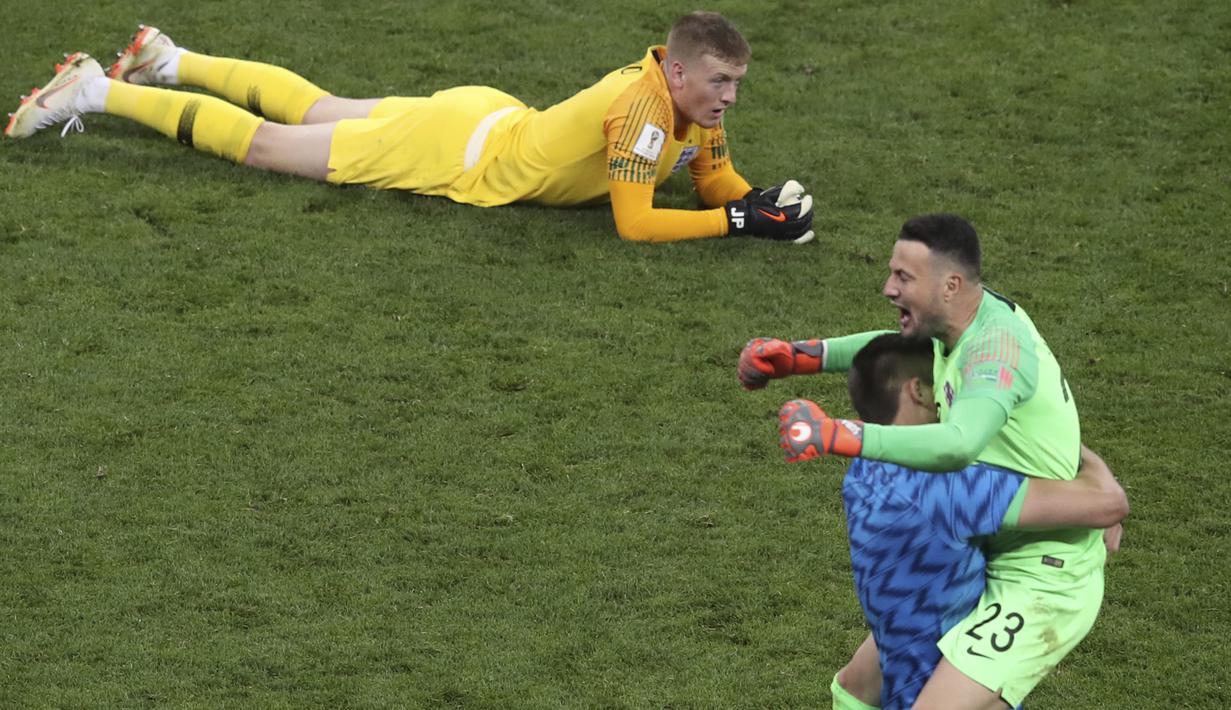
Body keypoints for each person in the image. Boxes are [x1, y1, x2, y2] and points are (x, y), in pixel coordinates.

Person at [4, 12, 813, 244]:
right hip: (456, 150)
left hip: (483, 116)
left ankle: (166, 56)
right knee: (269, 146)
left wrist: (758, 202)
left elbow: (712, 180)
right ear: (677, 71)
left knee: (318, 107)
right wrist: (736, 222)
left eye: (735, 83)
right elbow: (634, 223)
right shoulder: (642, 111)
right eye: (719, 81)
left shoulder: (690, 105)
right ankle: (98, 93)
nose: (729, 97)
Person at [742, 214, 1114, 708]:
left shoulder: (995, 354)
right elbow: (893, 349)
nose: (888, 288)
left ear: (950, 284)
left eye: (903, 277)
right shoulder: (958, 321)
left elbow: (958, 443)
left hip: (1042, 575)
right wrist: (802, 356)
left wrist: (839, 433)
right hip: (989, 539)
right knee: (857, 687)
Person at [793, 332, 1127, 709]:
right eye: (944, 387)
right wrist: (1088, 462)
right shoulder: (952, 488)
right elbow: (1107, 504)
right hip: (991, 609)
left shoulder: (866, 466)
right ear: (918, 392)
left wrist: (803, 357)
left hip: (927, 613)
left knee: (855, 686)